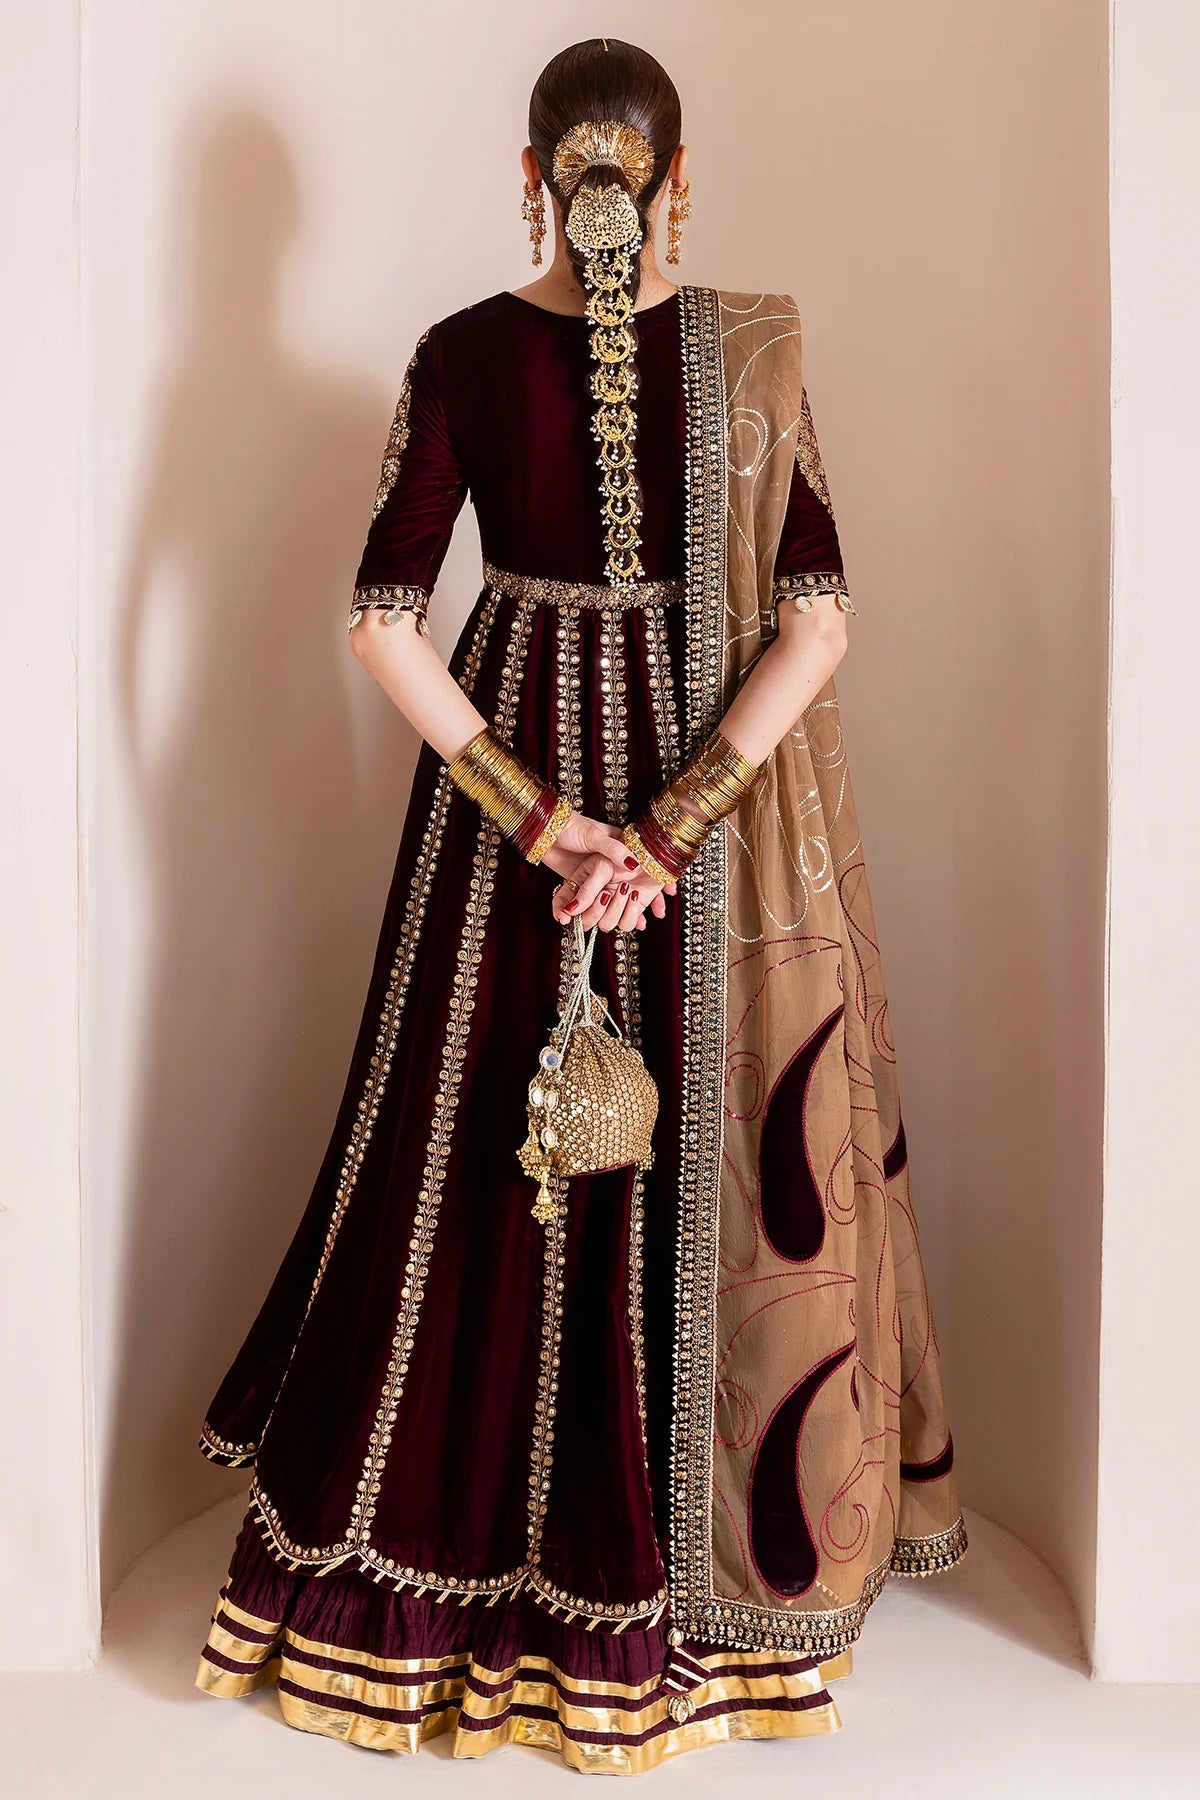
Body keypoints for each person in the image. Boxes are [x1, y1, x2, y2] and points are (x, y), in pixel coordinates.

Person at [193, 35, 966, 1775]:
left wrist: (548, 827)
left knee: (474, 1157)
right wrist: (668, 833)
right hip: (706, 818)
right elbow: (820, 620)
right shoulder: (756, 350)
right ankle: (681, 1578)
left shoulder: (460, 351)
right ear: (681, 177)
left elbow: (383, 622)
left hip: (508, 811)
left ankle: (438, 1551)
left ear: (529, 173)